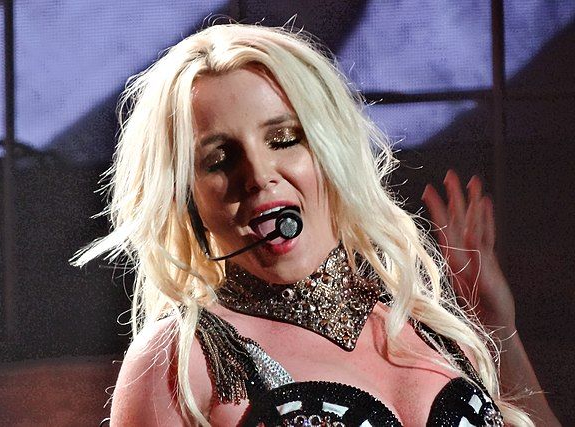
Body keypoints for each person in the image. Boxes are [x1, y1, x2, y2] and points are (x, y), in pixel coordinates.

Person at [74, 24, 559, 426]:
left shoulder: (429, 328)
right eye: (219, 160)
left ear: (330, 151)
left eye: (284, 139)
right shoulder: (180, 364)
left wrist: (499, 331)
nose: (259, 176)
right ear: (188, 200)